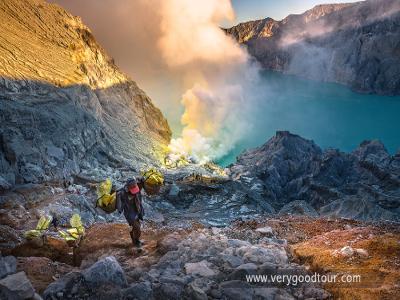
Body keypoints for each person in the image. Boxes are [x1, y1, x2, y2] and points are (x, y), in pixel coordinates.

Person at [116, 177, 145, 250]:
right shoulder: (121, 193)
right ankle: (136, 241)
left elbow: (142, 183)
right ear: (128, 187)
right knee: (137, 228)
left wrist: (142, 180)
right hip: (130, 213)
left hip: (138, 210)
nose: (135, 190)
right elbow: (119, 207)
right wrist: (118, 198)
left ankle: (133, 237)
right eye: (133, 189)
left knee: (137, 226)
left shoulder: (137, 186)